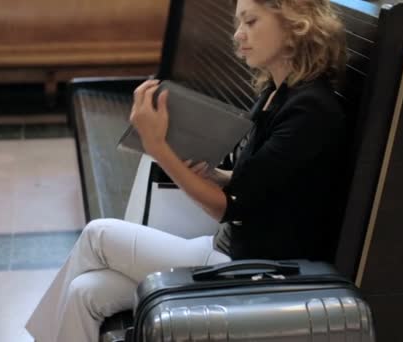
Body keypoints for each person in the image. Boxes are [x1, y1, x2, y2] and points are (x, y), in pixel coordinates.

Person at [26, 0, 347, 340]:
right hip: (229, 251)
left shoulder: (311, 110)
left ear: (295, 24)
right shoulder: (276, 94)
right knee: (85, 292)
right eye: (238, 23)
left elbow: (229, 206)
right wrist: (212, 174)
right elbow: (262, 185)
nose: (239, 35)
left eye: (251, 22)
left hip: (256, 272)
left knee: (97, 236)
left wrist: (159, 148)